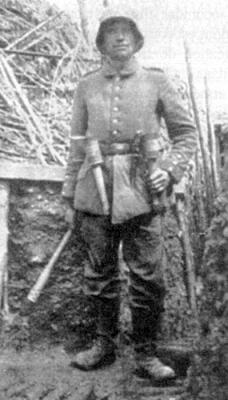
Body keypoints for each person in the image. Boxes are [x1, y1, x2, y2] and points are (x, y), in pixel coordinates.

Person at [62, 6, 196, 382]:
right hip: (95, 188)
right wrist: (68, 195)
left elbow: (186, 135)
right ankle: (103, 346)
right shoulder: (86, 85)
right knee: (99, 274)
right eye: (111, 31)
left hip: (142, 191)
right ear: (101, 41)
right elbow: (75, 145)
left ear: (137, 40)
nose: (119, 37)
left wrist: (168, 170)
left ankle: (146, 354)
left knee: (148, 278)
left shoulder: (156, 81)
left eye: (126, 31)